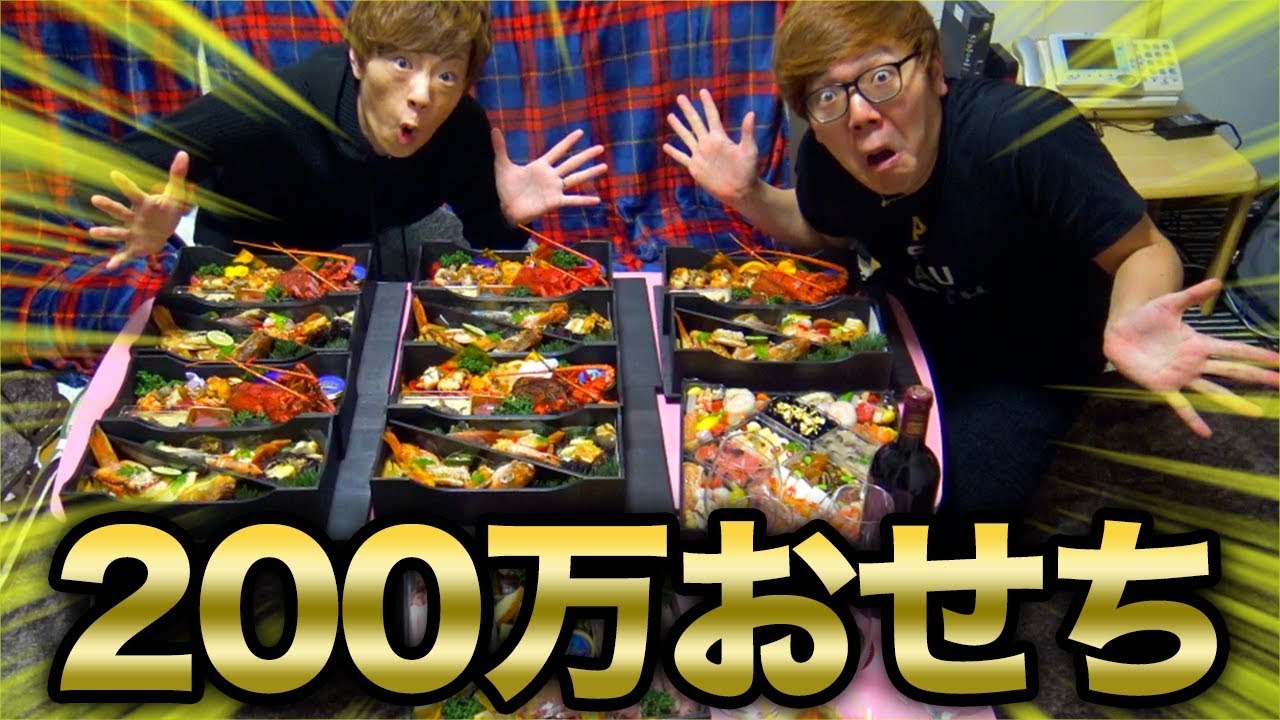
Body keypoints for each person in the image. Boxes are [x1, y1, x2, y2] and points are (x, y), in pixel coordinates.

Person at [664, 1, 1280, 515]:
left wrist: (1129, 318)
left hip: (1026, 361)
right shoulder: (831, 161)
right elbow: (819, 228)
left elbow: (1144, 249)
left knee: (944, 506)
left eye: (881, 77)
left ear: (934, 71)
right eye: (828, 96)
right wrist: (749, 195)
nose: (860, 114)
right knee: (772, 447)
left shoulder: (1025, 136)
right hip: (908, 327)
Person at [85, 1, 607, 280]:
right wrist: (157, 225)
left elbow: (492, 245)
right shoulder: (275, 106)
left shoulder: (462, 127)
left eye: (447, 75)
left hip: (378, 249)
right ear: (358, 59)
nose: (422, 94)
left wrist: (507, 217)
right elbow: (111, 171)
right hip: (256, 257)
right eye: (402, 63)